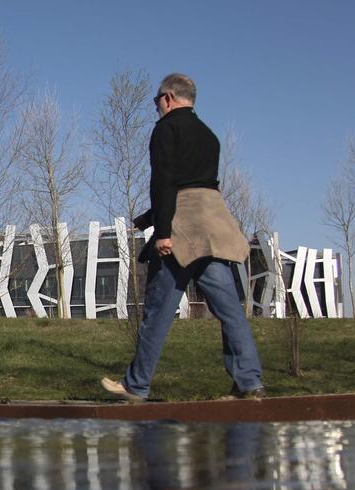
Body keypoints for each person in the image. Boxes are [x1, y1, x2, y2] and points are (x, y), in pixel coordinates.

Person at [102, 73, 264, 403]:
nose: (156, 107)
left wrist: (161, 231)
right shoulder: (209, 136)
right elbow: (196, 183)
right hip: (213, 227)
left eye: (156, 101)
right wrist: (148, 217)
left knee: (158, 311)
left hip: (181, 232)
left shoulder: (166, 129)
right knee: (231, 310)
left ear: (169, 98)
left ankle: (136, 384)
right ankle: (249, 383)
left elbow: (166, 180)